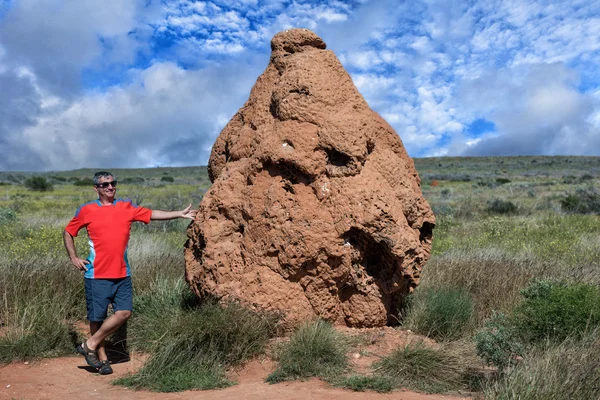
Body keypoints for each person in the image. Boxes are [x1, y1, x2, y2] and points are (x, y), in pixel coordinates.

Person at [63, 171, 196, 375]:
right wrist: (74, 258)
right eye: (105, 184)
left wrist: (178, 213)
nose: (110, 187)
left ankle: (88, 345)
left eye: (112, 183)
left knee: (124, 312)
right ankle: (102, 359)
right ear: (96, 188)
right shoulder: (87, 210)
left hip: (122, 273)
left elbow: (151, 213)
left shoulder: (126, 207)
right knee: (97, 318)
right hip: (96, 274)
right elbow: (69, 232)